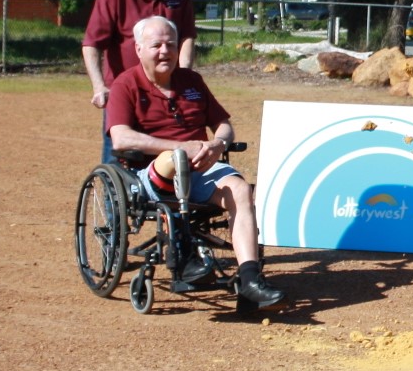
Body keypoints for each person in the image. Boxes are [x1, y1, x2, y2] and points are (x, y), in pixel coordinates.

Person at [106, 16, 287, 313]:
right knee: (173, 160)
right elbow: (121, 139)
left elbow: (223, 125)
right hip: (153, 173)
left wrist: (218, 144)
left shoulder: (192, 81)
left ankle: (250, 280)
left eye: (171, 44)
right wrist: (179, 148)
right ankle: (185, 258)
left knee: (241, 191)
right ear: (138, 49)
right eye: (156, 45)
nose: (165, 51)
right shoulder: (125, 84)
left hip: (202, 169)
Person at [83, 0, 197, 162]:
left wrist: (184, 75)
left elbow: (186, 35)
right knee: (119, 153)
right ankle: (114, 196)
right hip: (125, 88)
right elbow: (92, 43)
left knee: (168, 150)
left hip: (167, 87)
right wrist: (99, 87)